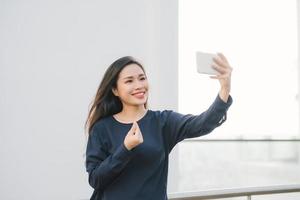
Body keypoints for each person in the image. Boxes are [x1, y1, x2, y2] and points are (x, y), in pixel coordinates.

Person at [84, 54, 233, 200]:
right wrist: (125, 149)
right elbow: (96, 179)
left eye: (142, 78)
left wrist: (224, 90)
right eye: (129, 81)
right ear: (115, 90)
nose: (139, 85)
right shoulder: (102, 128)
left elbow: (203, 124)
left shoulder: (163, 122)